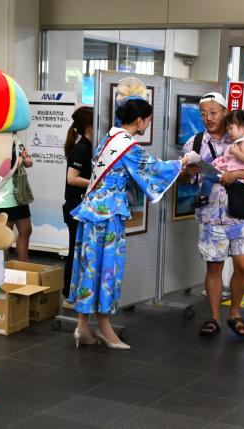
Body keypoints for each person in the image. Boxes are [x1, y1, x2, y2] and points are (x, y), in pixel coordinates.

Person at [68, 77, 198, 350]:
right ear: (139, 120)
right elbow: (155, 169)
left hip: (90, 212)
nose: (148, 125)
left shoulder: (108, 139)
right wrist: (184, 160)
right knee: (106, 268)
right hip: (109, 214)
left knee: (88, 265)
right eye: (148, 120)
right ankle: (104, 327)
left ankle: (82, 325)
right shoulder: (128, 146)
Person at [181, 92, 244, 337]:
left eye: (213, 113)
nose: (208, 118)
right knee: (214, 267)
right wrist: (188, 171)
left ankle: (235, 312)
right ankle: (214, 317)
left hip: (242, 212)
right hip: (211, 214)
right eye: (203, 114)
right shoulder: (194, 142)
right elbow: (184, 177)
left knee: (243, 265)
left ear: (224, 112)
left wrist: (234, 176)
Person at [195, 109, 244, 207]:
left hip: (237, 178)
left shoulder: (243, 142)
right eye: (227, 129)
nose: (229, 132)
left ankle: (203, 197)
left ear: (243, 127)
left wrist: (235, 151)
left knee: (209, 178)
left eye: (231, 128)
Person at [62, 106, 94, 307]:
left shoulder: (91, 146)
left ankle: (76, 293)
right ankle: (68, 295)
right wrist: (96, 182)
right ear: (90, 125)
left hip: (82, 207)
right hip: (75, 208)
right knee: (75, 250)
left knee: (81, 251)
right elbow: (72, 178)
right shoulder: (81, 149)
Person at [0, 141, 34, 262]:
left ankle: (23, 268)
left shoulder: (17, 142)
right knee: (5, 236)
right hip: (3, 197)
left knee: (26, 230)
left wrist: (21, 160)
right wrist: (11, 162)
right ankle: (3, 271)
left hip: (19, 194)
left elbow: (29, 161)